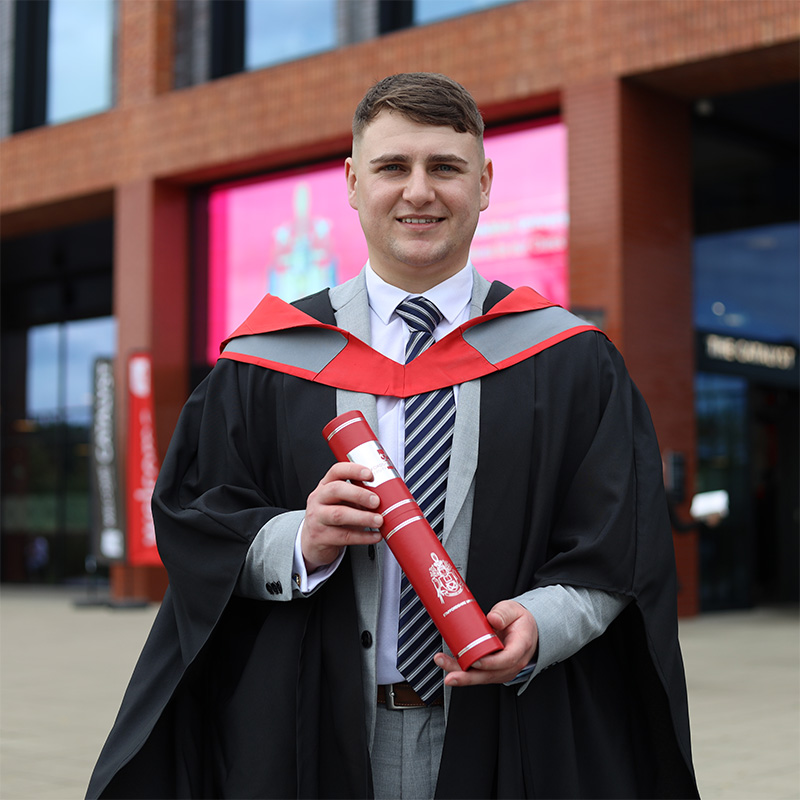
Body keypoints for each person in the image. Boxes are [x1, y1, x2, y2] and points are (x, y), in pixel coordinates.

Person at [87, 73, 699, 799]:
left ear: (485, 182)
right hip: (308, 733)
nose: (418, 192)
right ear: (351, 182)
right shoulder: (266, 360)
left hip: (511, 730)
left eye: (445, 167)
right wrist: (298, 540)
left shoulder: (569, 361)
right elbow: (194, 517)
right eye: (391, 167)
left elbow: (618, 544)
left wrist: (541, 622)